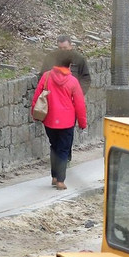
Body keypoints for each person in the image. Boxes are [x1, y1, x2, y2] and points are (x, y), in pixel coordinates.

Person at [32, 51, 87, 190]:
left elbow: (37, 96)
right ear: (69, 65)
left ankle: (54, 176)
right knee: (63, 149)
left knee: (54, 147)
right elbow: (79, 104)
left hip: (49, 120)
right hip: (67, 122)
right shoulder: (73, 81)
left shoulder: (46, 76)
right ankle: (60, 181)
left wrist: (35, 114)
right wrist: (82, 122)